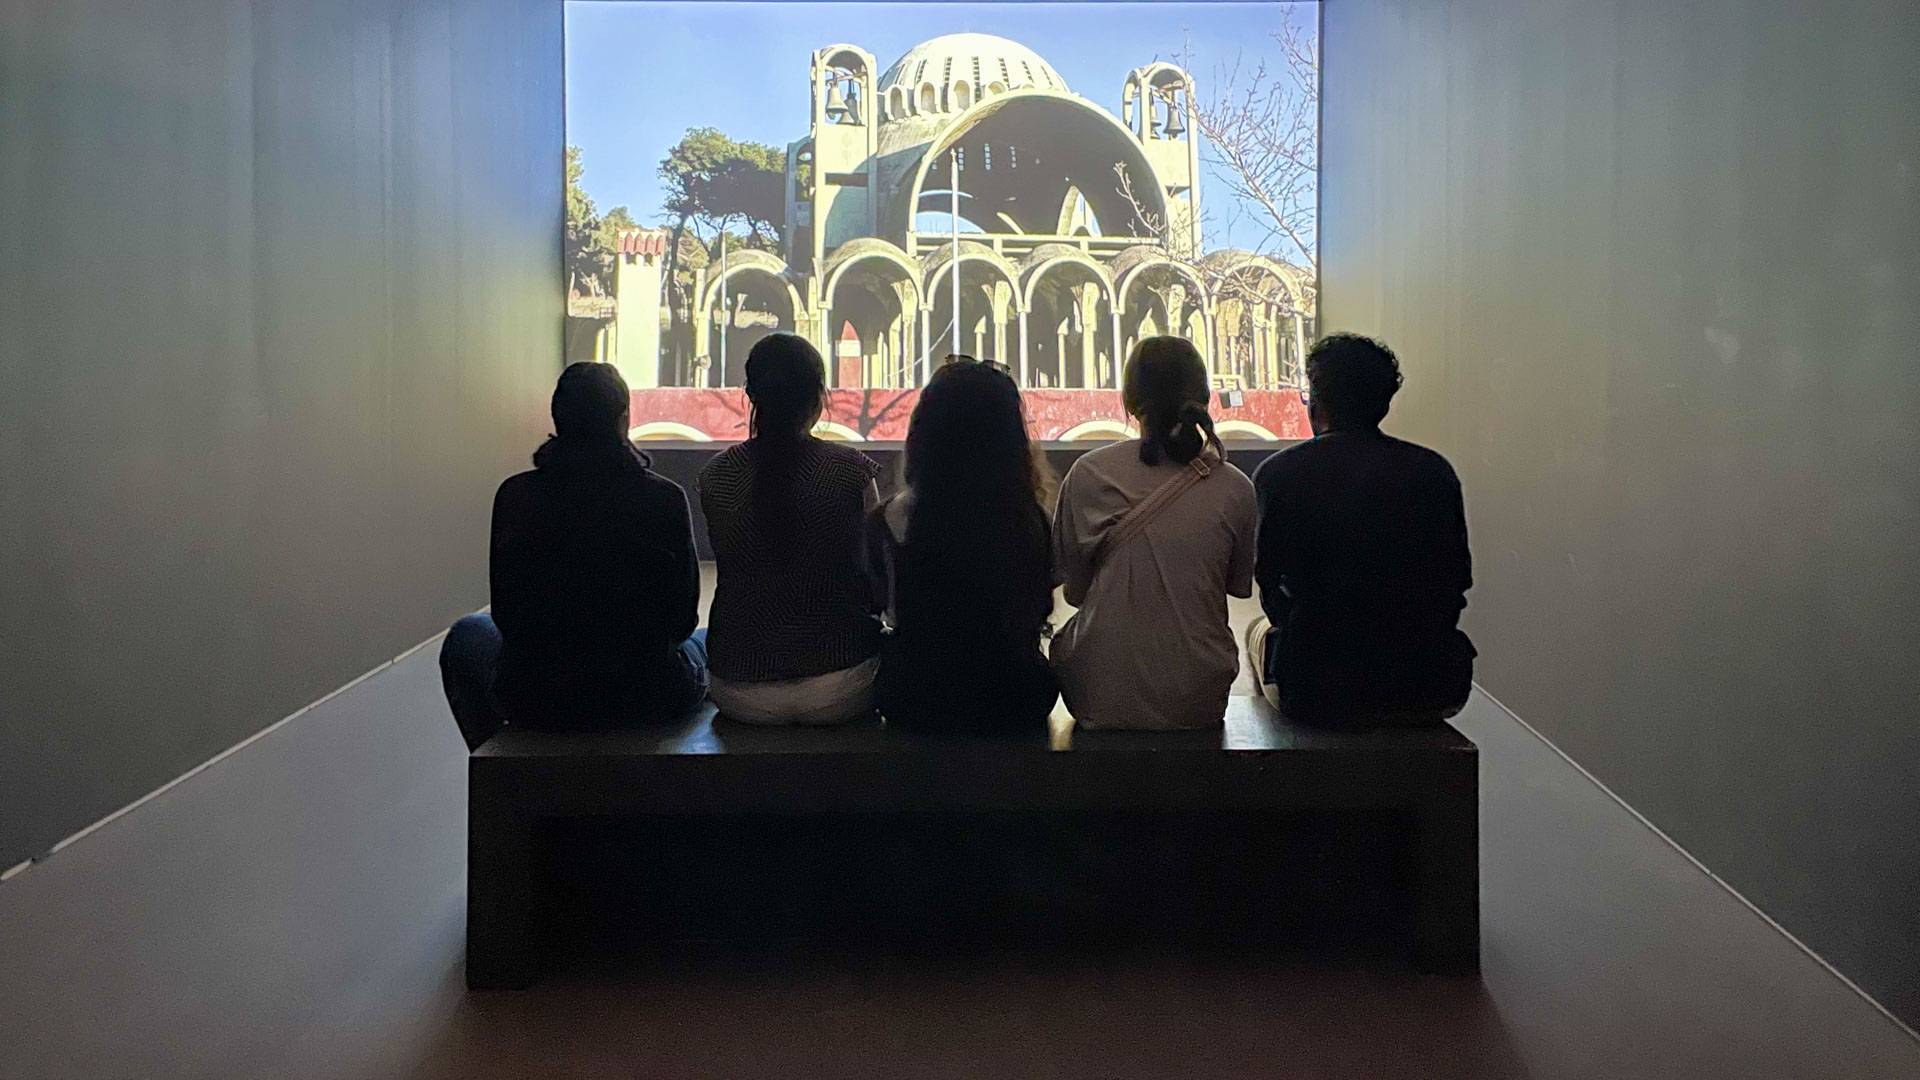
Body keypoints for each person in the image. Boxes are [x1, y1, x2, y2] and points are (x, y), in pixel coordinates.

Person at [439, 362, 706, 750]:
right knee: (710, 641)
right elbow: (682, 622)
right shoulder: (663, 498)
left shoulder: (515, 497)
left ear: (558, 419)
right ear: (624, 420)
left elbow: (507, 617)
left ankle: (499, 758)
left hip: (538, 699)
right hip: (648, 695)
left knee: (466, 634)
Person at [1247, 334, 1475, 728]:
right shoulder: (1434, 472)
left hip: (1316, 686)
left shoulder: (1280, 474)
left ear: (1317, 402)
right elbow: (1454, 582)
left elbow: (1269, 583)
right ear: (1385, 402)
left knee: (1256, 633)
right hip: (1424, 683)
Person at [1050, 337, 1258, 729]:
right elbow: (1233, 586)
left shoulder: (1088, 474)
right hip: (1199, 698)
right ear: (1205, 396)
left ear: (1129, 401)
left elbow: (1075, 594)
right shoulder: (1235, 487)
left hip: (1098, 695)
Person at [697, 333, 882, 725]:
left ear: (752, 395)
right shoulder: (852, 470)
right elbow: (875, 584)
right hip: (844, 684)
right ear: (818, 398)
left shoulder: (717, 477)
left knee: (697, 642)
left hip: (739, 688)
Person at [867, 358, 1058, 735]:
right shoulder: (1031, 520)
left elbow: (884, 608)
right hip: (1016, 700)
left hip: (917, 701)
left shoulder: (892, 518)